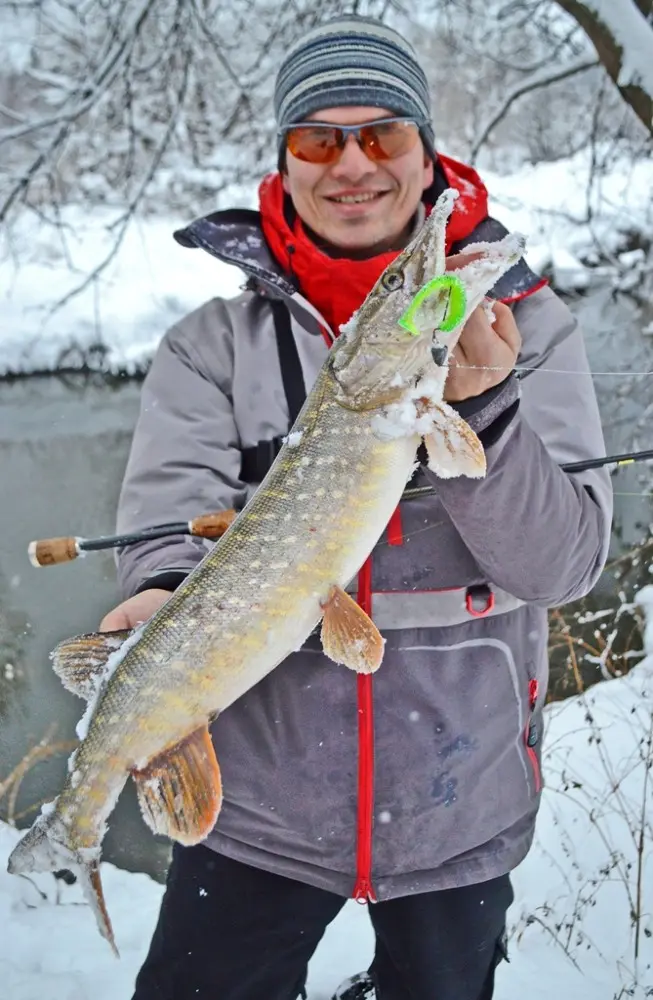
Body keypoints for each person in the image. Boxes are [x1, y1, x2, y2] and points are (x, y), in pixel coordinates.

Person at [101, 15, 612, 1000]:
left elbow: (562, 565)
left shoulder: (528, 327)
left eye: (381, 134)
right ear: (283, 161)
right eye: (317, 139)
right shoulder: (212, 348)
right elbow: (166, 534)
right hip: (257, 808)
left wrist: (485, 414)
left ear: (426, 156)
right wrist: (155, 599)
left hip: (455, 802)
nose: (351, 164)